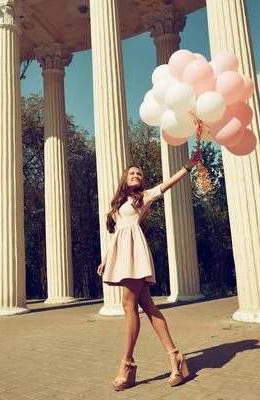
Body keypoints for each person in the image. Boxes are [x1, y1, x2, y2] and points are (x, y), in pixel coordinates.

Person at [97, 149, 202, 391]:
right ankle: (175, 356)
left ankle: (127, 364)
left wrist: (187, 167)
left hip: (134, 253)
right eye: (132, 173)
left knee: (128, 305)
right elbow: (116, 233)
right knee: (148, 306)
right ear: (125, 178)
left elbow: (166, 185)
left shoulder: (143, 197)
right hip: (121, 252)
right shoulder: (119, 203)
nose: (137, 176)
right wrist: (106, 258)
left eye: (140, 174)